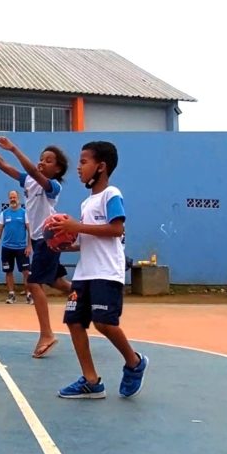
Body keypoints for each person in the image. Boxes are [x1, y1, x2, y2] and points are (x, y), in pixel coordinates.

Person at [49, 141, 148, 399]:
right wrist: (60, 242)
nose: (79, 168)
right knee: (74, 322)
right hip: (84, 273)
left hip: (106, 272)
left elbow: (116, 230)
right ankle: (91, 381)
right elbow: (84, 239)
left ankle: (134, 362)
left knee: (104, 323)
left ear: (100, 166)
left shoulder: (111, 194)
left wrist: (76, 227)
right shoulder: (86, 203)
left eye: (83, 162)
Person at [0, 131, 71, 358]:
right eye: (41, 157)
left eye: (49, 160)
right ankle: (87, 298)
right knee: (57, 282)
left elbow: (34, 172)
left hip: (49, 240)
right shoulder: (27, 181)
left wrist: (14, 148)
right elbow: (4, 166)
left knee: (34, 283)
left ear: (57, 170)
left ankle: (46, 333)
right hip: (38, 242)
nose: (42, 162)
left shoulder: (53, 187)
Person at [0, 190, 33, 304]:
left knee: (26, 272)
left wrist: (29, 246)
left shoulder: (24, 213)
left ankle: (29, 295)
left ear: (18, 198)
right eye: (11, 197)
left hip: (21, 248)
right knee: (8, 271)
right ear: (8, 199)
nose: (12, 199)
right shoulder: (4, 214)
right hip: (7, 248)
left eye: (14, 197)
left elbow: (30, 231)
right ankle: (11, 295)